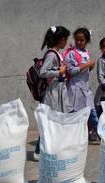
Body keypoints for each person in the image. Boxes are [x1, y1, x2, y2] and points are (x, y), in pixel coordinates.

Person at [34, 25, 72, 161]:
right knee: (48, 120)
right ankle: (38, 150)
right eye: (66, 39)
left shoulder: (56, 54)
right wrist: (59, 72)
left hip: (59, 90)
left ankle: (54, 148)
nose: (66, 42)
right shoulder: (51, 54)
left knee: (56, 120)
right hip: (53, 92)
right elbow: (43, 72)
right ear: (61, 40)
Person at [64, 27, 99, 141]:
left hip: (85, 86)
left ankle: (101, 136)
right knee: (76, 114)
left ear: (87, 41)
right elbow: (71, 71)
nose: (79, 42)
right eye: (77, 40)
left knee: (92, 112)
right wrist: (87, 65)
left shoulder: (86, 53)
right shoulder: (72, 54)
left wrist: (90, 67)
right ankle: (73, 138)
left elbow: (86, 71)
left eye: (82, 40)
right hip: (75, 88)